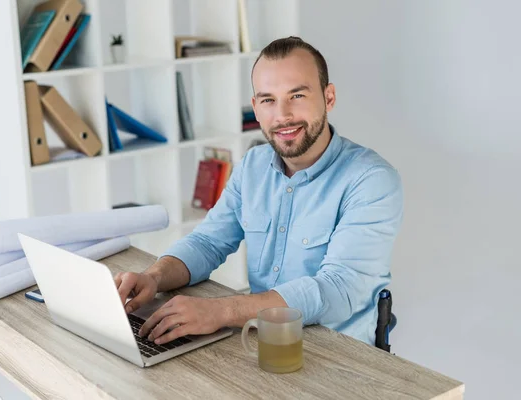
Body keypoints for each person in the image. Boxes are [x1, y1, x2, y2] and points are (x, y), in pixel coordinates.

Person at [114, 36, 404, 347]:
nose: (282, 115)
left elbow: (336, 290)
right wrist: (153, 278)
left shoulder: (371, 179)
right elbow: (208, 242)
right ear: (255, 107)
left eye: (297, 95)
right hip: (262, 345)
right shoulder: (253, 165)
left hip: (341, 360)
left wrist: (222, 310)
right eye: (268, 100)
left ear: (328, 97)